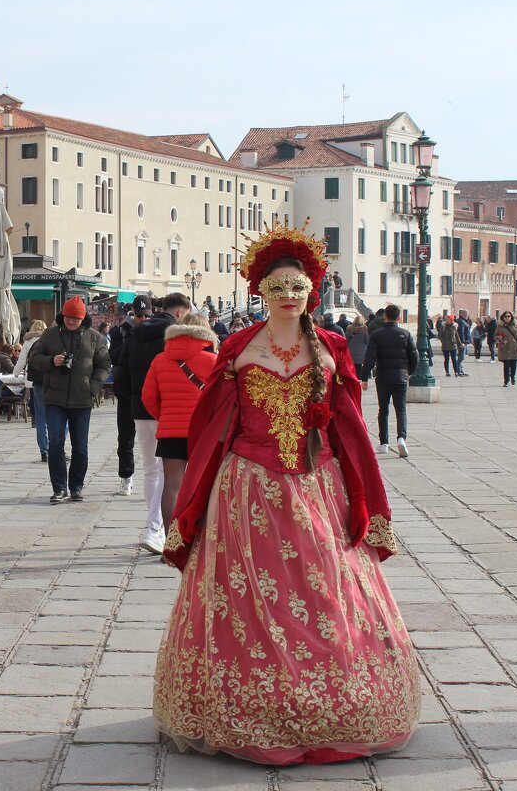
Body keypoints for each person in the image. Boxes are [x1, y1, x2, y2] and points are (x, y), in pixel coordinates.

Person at [154, 223, 419, 765]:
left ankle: (334, 703)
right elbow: (213, 421)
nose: (290, 297)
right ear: (261, 291)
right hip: (246, 486)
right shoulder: (236, 348)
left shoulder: (331, 347)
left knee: (324, 587)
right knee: (247, 592)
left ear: (310, 291)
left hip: (315, 484)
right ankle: (241, 708)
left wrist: (361, 489)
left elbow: (349, 425)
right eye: (279, 289)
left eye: (298, 288)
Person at [116, 293, 191, 550]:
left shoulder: (135, 334)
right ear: (180, 313)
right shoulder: (174, 336)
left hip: (139, 409)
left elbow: (120, 375)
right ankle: (154, 528)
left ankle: (155, 526)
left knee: (150, 470)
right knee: (166, 474)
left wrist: (133, 402)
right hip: (166, 410)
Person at [29, 296, 112, 504]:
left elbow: (104, 366)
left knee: (80, 446)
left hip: (82, 399)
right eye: (68, 317)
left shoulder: (94, 338)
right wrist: (51, 361)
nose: (71, 321)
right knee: (56, 443)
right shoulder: (50, 335)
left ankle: (76, 487)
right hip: (55, 398)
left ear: (82, 318)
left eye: (75, 318)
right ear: (62, 316)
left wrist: (92, 388)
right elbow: (35, 359)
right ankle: (59, 488)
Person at [140, 313, 218, 530]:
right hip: (203, 432)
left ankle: (171, 544)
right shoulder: (213, 361)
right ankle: (199, 540)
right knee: (204, 484)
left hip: (170, 432)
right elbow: (221, 398)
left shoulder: (160, 359)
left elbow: (148, 397)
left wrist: (165, 417)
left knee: (172, 485)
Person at [362, 304, 419, 457]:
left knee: (384, 410)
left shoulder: (376, 335)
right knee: (401, 410)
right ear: (399, 317)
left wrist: (364, 377)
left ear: (385, 316)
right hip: (400, 376)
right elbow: (414, 356)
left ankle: (384, 443)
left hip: (383, 376)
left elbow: (369, 358)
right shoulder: (405, 334)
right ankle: (401, 438)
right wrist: (409, 372)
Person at [110, 297, 151, 496]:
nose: (142, 319)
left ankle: (154, 477)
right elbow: (115, 357)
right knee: (125, 438)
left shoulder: (156, 334)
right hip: (127, 393)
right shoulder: (119, 332)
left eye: (146, 315)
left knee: (153, 440)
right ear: (133, 314)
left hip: (149, 394)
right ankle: (126, 477)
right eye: (139, 315)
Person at [12, 319, 50, 463]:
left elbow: (22, 360)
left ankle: (44, 451)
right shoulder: (50, 339)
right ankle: (54, 448)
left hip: (35, 380)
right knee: (54, 416)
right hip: (50, 380)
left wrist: (15, 373)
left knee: (40, 417)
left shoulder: (28, 342)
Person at [496, 311, 517, 387]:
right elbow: (495, 336)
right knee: (506, 364)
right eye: (505, 316)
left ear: (511, 317)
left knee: (513, 363)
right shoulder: (499, 326)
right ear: (503, 317)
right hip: (504, 347)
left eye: (509, 316)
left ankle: (513, 376)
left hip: (514, 347)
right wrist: (500, 340)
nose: (507, 318)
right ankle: (506, 381)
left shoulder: (515, 325)